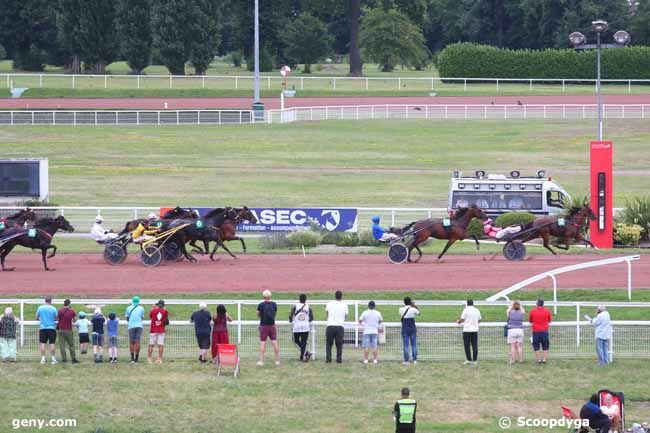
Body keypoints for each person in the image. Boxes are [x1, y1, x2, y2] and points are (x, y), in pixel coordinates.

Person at [257, 290, 280, 366]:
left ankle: (261, 361)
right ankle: (277, 360)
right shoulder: (274, 304)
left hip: (263, 325)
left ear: (263, 297)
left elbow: (258, 314)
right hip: (272, 325)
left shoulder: (260, 305)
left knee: (263, 342)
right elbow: (275, 313)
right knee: (274, 341)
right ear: (270, 296)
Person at [325, 290, 348, 363]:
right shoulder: (344, 305)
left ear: (335, 296)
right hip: (340, 326)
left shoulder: (329, 303)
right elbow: (346, 316)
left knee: (329, 344)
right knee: (339, 344)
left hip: (330, 325)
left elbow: (327, 314)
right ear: (341, 296)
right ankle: (339, 359)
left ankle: (328, 359)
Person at [289, 294, 313, 362]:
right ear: (306, 300)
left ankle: (304, 355)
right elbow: (311, 318)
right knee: (304, 342)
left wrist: (291, 320)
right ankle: (305, 354)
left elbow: (290, 316)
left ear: (299, 299)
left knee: (296, 341)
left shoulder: (295, 306)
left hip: (297, 327)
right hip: (305, 327)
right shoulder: (309, 307)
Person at [457, 300, 481, 365]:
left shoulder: (465, 310)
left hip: (467, 330)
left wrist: (458, 322)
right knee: (475, 345)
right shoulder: (477, 310)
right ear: (473, 304)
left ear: (467, 304)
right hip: (475, 330)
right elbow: (479, 320)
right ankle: (475, 360)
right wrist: (475, 323)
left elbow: (462, 319)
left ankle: (469, 359)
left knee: (467, 346)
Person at [36, 296, 58, 365]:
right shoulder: (53, 308)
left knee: (42, 343)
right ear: (51, 301)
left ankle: (43, 359)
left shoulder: (40, 308)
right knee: (52, 343)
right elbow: (56, 318)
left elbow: (36, 317)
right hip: (51, 328)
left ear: (45, 300)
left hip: (42, 328)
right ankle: (53, 359)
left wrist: (41, 320)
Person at [529, 298, 552, 364]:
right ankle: (544, 359)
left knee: (536, 346)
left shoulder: (532, 311)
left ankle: (538, 360)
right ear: (543, 304)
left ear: (537, 304)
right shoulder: (547, 311)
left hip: (536, 331)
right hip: (544, 331)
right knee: (545, 345)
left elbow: (530, 320)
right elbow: (549, 320)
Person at [57, 299, 78, 364]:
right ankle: (73, 359)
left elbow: (57, 319)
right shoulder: (72, 311)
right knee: (71, 345)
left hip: (61, 330)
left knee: (62, 345)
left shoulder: (60, 311)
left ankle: (64, 359)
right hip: (68, 330)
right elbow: (74, 320)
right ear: (69, 304)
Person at [399, 297, 419, 365]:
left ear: (404, 302)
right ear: (410, 302)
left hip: (405, 329)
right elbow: (419, 313)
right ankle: (415, 360)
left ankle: (406, 360)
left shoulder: (400, 309)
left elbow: (401, 316)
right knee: (414, 345)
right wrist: (414, 305)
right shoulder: (413, 309)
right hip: (412, 329)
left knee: (405, 345)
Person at [148, 299, 169, 364]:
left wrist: (153, 308)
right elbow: (166, 320)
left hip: (153, 329)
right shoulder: (165, 311)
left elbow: (150, 316)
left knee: (151, 345)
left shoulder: (153, 311)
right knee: (160, 345)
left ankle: (149, 358)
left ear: (158, 305)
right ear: (163, 305)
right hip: (161, 330)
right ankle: (159, 359)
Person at [125, 296, 145, 364]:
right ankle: (136, 358)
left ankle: (132, 358)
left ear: (132, 301)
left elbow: (127, 318)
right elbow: (142, 317)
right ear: (138, 301)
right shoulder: (141, 308)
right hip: (139, 326)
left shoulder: (128, 308)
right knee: (137, 342)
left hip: (131, 326)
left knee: (131, 342)